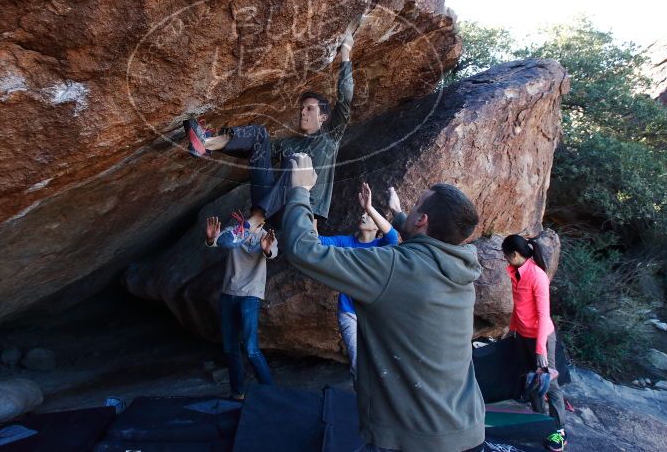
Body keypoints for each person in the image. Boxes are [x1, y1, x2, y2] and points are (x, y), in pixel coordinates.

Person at [282, 153, 486, 452]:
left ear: (423, 220)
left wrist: (299, 190)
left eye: (416, 205)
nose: (411, 208)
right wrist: (398, 214)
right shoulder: (461, 270)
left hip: (413, 439)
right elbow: (419, 239)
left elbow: (302, 249)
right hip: (468, 430)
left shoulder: (394, 267)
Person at [184, 27, 356, 230]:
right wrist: (222, 144)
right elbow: (253, 152)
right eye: (302, 108)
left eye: (309, 109)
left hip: (298, 212)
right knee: (259, 136)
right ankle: (205, 143)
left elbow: (345, 97)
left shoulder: (330, 138)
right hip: (272, 205)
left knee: (296, 163)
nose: (303, 112)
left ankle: (254, 223)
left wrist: (345, 50)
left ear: (324, 117)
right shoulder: (289, 143)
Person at [319, 183, 399, 379]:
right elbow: (315, 241)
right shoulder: (346, 242)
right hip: (349, 312)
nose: (363, 216)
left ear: (377, 227)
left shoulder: (381, 245)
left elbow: (394, 236)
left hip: (375, 313)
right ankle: (363, 403)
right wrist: (313, 212)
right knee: (358, 364)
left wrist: (369, 207)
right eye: (363, 214)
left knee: (382, 362)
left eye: (368, 216)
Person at [502, 234, 567, 452]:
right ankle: (541, 423)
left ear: (515, 254)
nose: (505, 260)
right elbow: (518, 307)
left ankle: (559, 430)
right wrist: (512, 330)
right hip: (523, 335)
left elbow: (543, 314)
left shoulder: (536, 276)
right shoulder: (514, 273)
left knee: (551, 384)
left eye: (506, 256)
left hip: (541, 337)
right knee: (531, 381)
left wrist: (541, 349)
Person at [205, 208, 277, 400]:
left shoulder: (266, 236)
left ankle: (272, 394)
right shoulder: (236, 231)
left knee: (251, 348)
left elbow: (272, 251)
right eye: (250, 217)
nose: (251, 221)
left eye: (256, 219)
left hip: (251, 295)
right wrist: (212, 239)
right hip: (228, 294)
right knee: (230, 347)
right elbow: (221, 240)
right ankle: (238, 393)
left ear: (262, 222)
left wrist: (266, 248)